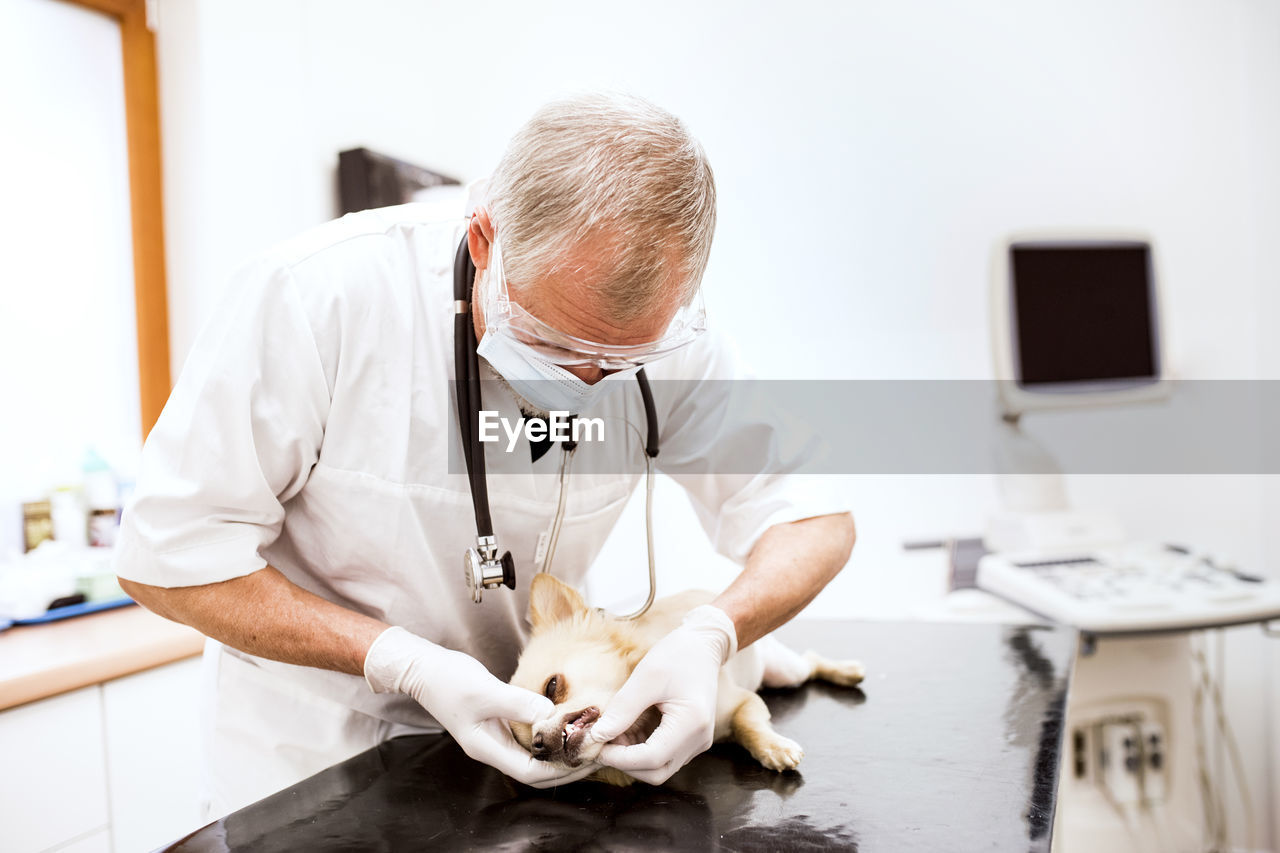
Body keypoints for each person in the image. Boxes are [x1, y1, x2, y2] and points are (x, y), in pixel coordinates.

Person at [115, 92, 855, 816]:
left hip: (543, 764)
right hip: (315, 758)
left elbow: (814, 519)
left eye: (623, 359)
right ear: (484, 243)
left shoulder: (682, 341)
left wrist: (713, 633)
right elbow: (168, 557)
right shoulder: (319, 301)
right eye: (557, 344)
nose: (587, 381)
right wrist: (404, 662)